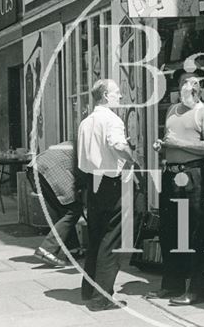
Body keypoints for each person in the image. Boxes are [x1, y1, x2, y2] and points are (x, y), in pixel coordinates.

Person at [148, 70, 204, 305]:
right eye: (187, 83)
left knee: (197, 233)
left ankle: (198, 290)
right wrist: (163, 145)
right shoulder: (171, 110)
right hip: (171, 175)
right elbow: (170, 138)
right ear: (178, 87)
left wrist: (178, 143)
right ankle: (172, 285)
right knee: (169, 232)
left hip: (194, 174)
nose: (192, 87)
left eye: (196, 84)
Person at [78, 79, 132, 312]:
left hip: (92, 181)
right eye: (116, 93)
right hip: (110, 182)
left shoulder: (86, 122)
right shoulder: (113, 120)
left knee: (96, 236)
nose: (119, 96)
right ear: (104, 96)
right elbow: (118, 145)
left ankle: (89, 289)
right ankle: (102, 297)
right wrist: (132, 157)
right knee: (111, 239)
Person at [28, 141, 85, 268]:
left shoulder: (79, 141)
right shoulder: (91, 148)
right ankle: (47, 249)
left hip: (36, 168)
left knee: (64, 210)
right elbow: (86, 175)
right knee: (73, 210)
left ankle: (73, 249)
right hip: (52, 171)